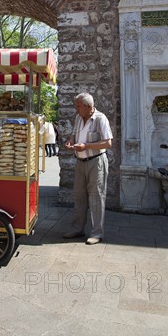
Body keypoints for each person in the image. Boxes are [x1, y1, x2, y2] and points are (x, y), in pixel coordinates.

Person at [63, 93, 113, 245]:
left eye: (78, 106)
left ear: (88, 107)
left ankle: (97, 233)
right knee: (79, 196)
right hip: (80, 162)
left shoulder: (100, 118)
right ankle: (77, 229)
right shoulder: (79, 118)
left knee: (96, 197)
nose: (76, 108)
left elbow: (107, 143)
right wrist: (71, 141)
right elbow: (74, 135)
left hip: (96, 162)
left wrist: (86, 146)